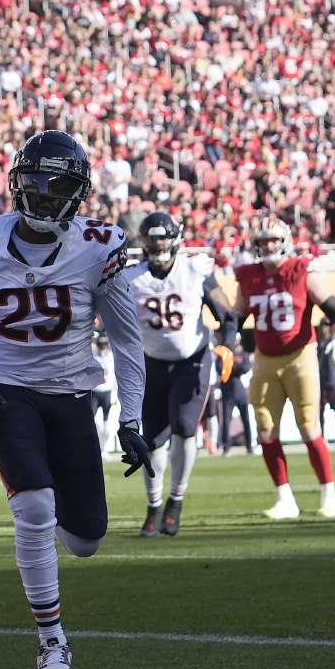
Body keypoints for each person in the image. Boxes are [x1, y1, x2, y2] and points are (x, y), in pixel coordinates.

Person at [0, 129, 150, 669]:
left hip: (71, 395)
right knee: (34, 507)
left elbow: (128, 341)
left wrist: (131, 419)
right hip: (7, 396)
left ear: (78, 193)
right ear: (16, 183)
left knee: (85, 541)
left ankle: (51, 517)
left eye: (54, 186)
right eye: (33, 183)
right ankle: (51, 637)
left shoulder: (99, 246)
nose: (41, 195)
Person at [124, 211, 236, 537]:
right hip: (152, 362)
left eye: (162, 238)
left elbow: (227, 314)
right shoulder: (131, 278)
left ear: (174, 239)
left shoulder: (195, 270)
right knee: (152, 441)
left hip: (192, 360)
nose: (157, 245)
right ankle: (154, 505)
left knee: (186, 428)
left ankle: (176, 500)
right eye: (151, 239)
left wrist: (227, 346)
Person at [232, 217, 335, 520]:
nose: (268, 246)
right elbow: (237, 317)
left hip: (300, 356)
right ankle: (285, 499)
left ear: (284, 242)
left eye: (273, 240)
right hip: (265, 358)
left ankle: (329, 495)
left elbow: (334, 309)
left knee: (309, 426)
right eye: (263, 241)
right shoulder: (248, 276)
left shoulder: (302, 271)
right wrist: (228, 340)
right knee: (266, 429)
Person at [219, 338, 253, 455]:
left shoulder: (242, 354)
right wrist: (232, 369)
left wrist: (231, 368)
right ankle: (226, 447)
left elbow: (245, 367)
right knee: (226, 421)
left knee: (246, 419)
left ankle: (249, 446)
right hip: (227, 392)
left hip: (240, 392)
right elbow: (220, 369)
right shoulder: (224, 354)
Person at [317, 319, 335, 446]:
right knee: (321, 410)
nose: (324, 328)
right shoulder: (318, 345)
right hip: (321, 380)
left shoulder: (334, 342)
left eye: (327, 325)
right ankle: (323, 437)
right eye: (323, 325)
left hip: (332, 380)